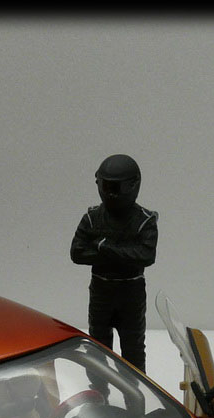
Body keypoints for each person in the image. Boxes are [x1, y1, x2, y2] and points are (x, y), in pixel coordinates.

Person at [70, 154, 158, 374]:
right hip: (102, 290)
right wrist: (122, 253)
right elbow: (77, 253)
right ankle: (99, 392)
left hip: (131, 292)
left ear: (133, 185)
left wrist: (103, 247)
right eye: (105, 186)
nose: (109, 193)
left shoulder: (144, 220)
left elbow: (145, 256)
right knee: (98, 348)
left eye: (115, 187)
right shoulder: (92, 217)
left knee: (133, 350)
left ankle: (135, 393)